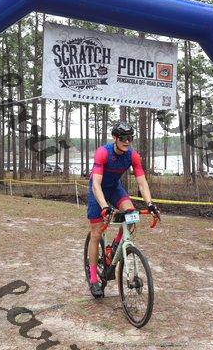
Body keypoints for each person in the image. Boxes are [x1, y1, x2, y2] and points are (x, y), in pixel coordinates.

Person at [86, 121, 159, 298]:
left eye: (130, 138)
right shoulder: (103, 152)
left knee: (131, 216)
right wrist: (104, 207)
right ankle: (94, 278)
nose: (127, 141)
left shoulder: (132, 155)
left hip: (114, 188)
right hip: (98, 190)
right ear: (115, 138)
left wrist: (150, 204)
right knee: (96, 233)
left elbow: (142, 182)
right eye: (123, 138)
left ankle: (115, 247)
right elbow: (96, 184)